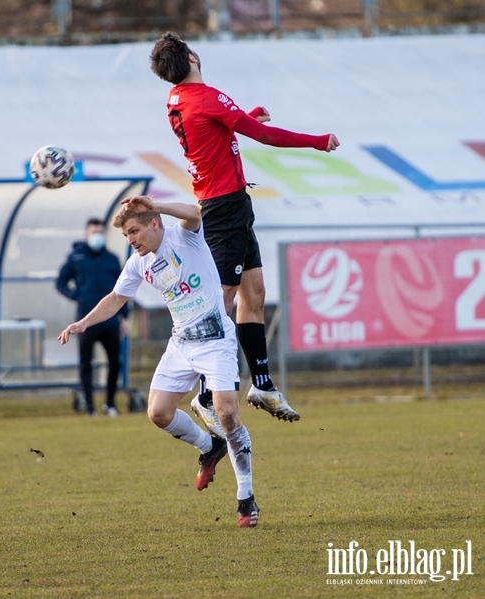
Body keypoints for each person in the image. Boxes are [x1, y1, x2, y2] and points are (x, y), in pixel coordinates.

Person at [148, 32, 340, 429]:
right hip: (223, 209)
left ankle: (263, 385)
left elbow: (213, 132)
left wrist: (243, 115)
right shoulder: (207, 96)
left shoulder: (177, 99)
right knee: (221, 297)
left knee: (254, 294)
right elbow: (265, 137)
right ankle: (204, 394)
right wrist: (316, 142)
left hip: (231, 204)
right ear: (191, 57)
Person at [59, 196, 259, 528]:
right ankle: (209, 447)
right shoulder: (138, 262)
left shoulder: (184, 236)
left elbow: (195, 213)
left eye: (134, 231)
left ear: (154, 224)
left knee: (226, 414)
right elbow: (116, 298)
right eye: (125, 236)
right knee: (158, 413)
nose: (131, 240)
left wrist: (156, 204)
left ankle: (246, 498)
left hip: (215, 340)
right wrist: (83, 323)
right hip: (181, 344)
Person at [56, 218, 130, 416]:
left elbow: (122, 290)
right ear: (86, 235)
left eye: (100, 232)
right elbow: (60, 282)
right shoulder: (76, 258)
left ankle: (110, 404)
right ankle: (89, 406)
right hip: (85, 321)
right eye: (93, 232)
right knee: (86, 363)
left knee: (115, 363)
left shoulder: (112, 259)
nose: (97, 235)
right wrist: (77, 297)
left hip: (111, 321)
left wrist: (125, 317)